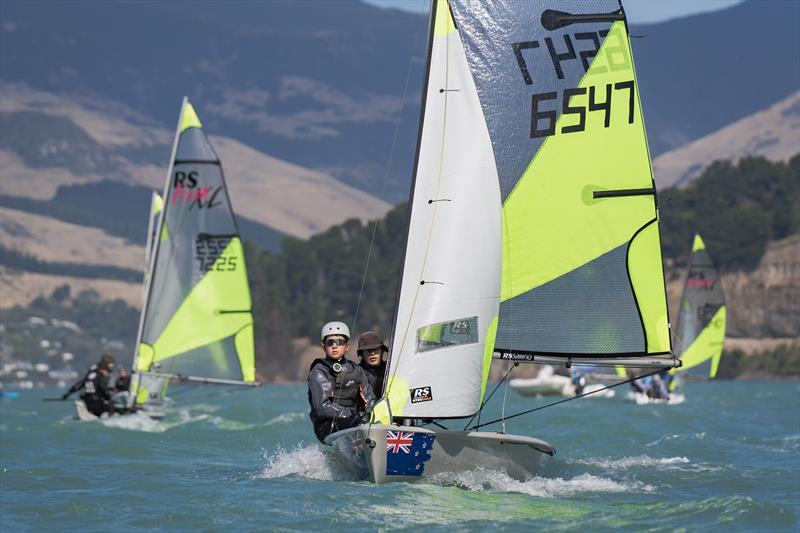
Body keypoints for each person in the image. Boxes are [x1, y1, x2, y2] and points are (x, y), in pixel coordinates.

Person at [307, 321, 376, 442]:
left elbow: (370, 400)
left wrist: (368, 416)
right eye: (330, 342)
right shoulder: (319, 371)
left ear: (347, 346)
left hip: (356, 422)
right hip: (327, 426)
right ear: (323, 346)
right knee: (358, 425)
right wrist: (351, 415)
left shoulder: (357, 370)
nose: (334, 345)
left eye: (339, 342)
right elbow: (322, 407)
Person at [356, 331, 388, 396]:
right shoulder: (356, 373)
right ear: (362, 354)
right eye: (368, 350)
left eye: (375, 349)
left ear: (382, 350)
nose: (372, 353)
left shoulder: (391, 370)